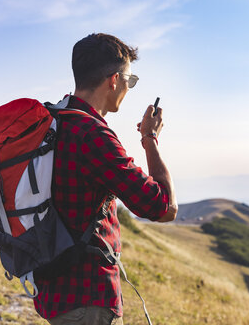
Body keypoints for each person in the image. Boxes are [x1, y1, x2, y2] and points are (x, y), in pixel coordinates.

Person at [33, 33, 178, 325]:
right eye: (130, 80)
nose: (128, 87)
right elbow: (163, 207)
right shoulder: (93, 136)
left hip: (53, 289)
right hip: (88, 298)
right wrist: (150, 138)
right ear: (114, 80)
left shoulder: (53, 120)